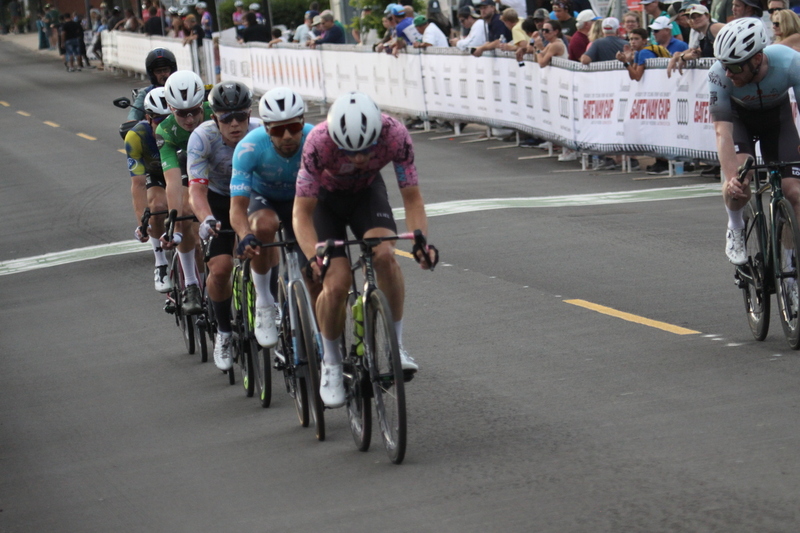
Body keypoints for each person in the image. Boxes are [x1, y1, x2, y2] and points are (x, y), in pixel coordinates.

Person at [293, 92, 439, 408]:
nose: (358, 158)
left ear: (379, 135)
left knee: (385, 255)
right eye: (350, 151)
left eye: (366, 150)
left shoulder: (395, 135)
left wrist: (420, 243)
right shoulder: (318, 142)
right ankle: (330, 362)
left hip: (366, 196)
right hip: (325, 204)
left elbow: (412, 198)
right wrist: (311, 256)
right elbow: (301, 213)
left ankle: (395, 347)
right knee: (335, 283)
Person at [709, 18, 800, 265]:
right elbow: (722, 132)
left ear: (757, 59)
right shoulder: (718, 74)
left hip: (777, 122)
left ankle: (792, 263)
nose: (728, 73)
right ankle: (735, 225)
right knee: (738, 180)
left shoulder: (790, 62)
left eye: (735, 67)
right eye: (724, 65)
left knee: (795, 192)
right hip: (740, 121)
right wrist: (732, 180)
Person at [231, 88, 314, 351]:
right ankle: (265, 302)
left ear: (303, 121)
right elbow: (237, 207)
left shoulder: (316, 140)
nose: (288, 136)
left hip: (302, 200)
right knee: (262, 227)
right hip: (264, 198)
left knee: (311, 268)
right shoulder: (249, 147)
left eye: (293, 127)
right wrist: (245, 235)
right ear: (266, 128)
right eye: (278, 130)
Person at [188, 82, 260, 370]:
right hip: (218, 198)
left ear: (249, 115)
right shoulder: (202, 138)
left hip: (252, 195)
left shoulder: (259, 134)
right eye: (225, 118)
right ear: (214, 118)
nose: (234, 124)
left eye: (240, 117)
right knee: (219, 269)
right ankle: (224, 332)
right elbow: (195, 191)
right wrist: (205, 219)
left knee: (263, 243)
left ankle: (268, 303)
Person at [157, 71, 215, 315]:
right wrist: (173, 222)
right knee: (185, 213)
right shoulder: (166, 131)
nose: (190, 119)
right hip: (184, 171)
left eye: (194, 110)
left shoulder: (216, 114)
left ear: (203, 102)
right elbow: (171, 183)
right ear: (171, 108)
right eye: (182, 113)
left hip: (215, 167)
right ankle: (191, 283)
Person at [124, 87, 172, 293]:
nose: (164, 126)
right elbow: (138, 185)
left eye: (169, 120)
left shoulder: (185, 130)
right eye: (159, 121)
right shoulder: (135, 137)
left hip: (184, 171)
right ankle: (161, 262)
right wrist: (141, 224)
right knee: (157, 207)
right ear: (148, 118)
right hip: (156, 175)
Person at [128, 48, 178, 122]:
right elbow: (134, 113)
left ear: (172, 70)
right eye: (158, 71)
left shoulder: (180, 89)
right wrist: (131, 122)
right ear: (152, 74)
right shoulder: (145, 94)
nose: (163, 74)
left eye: (165, 70)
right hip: (154, 131)